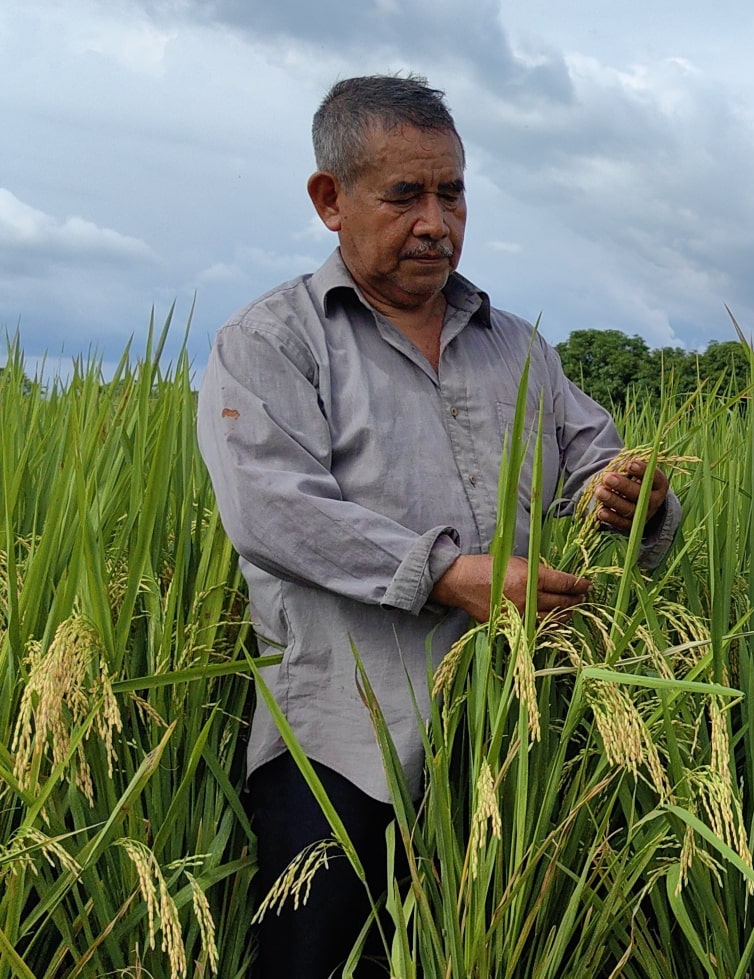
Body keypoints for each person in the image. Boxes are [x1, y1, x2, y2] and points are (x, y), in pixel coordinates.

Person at [195, 74, 682, 979]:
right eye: (405, 195)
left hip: (511, 742)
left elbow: (596, 465)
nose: (436, 222)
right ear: (330, 199)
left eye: (452, 193)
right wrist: (449, 574)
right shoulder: (271, 341)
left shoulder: (517, 347)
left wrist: (635, 500)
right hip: (340, 747)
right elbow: (273, 510)